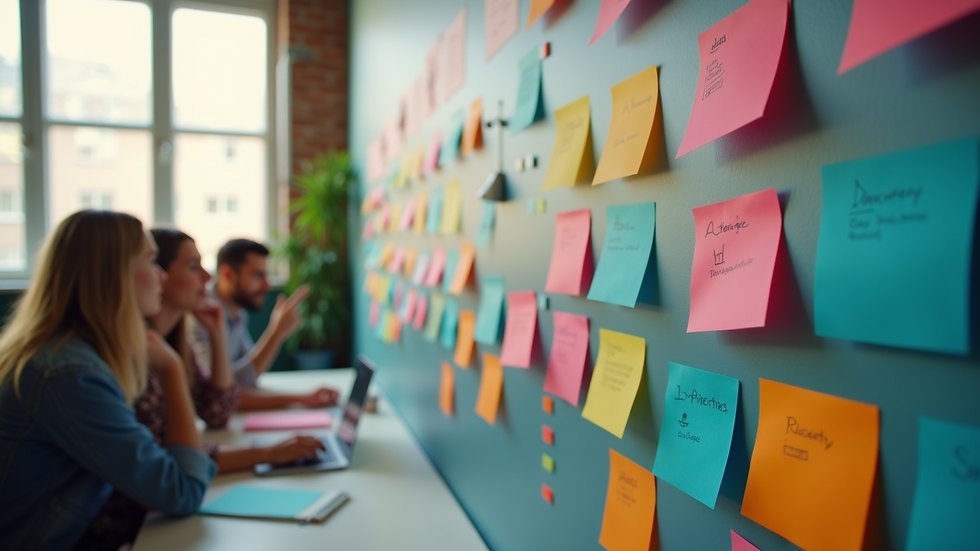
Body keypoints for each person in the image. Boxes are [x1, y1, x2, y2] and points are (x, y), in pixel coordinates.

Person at [76, 229, 326, 550]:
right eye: (194, 267)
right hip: (128, 532)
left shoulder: (176, 337)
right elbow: (175, 477)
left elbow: (218, 412)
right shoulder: (137, 352)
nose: (206, 278)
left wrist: (218, 334)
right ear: (161, 276)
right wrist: (265, 452)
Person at [0, 210, 214, 550]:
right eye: (151, 261)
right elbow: (182, 491)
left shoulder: (68, 355)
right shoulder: (70, 374)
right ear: (113, 275)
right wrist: (172, 370)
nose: (161, 277)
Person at [192, 238, 339, 410]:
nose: (267, 285)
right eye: (258, 275)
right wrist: (275, 334)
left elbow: (247, 378)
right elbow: (222, 395)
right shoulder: (202, 317)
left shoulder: (237, 313)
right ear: (228, 275)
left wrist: (278, 333)